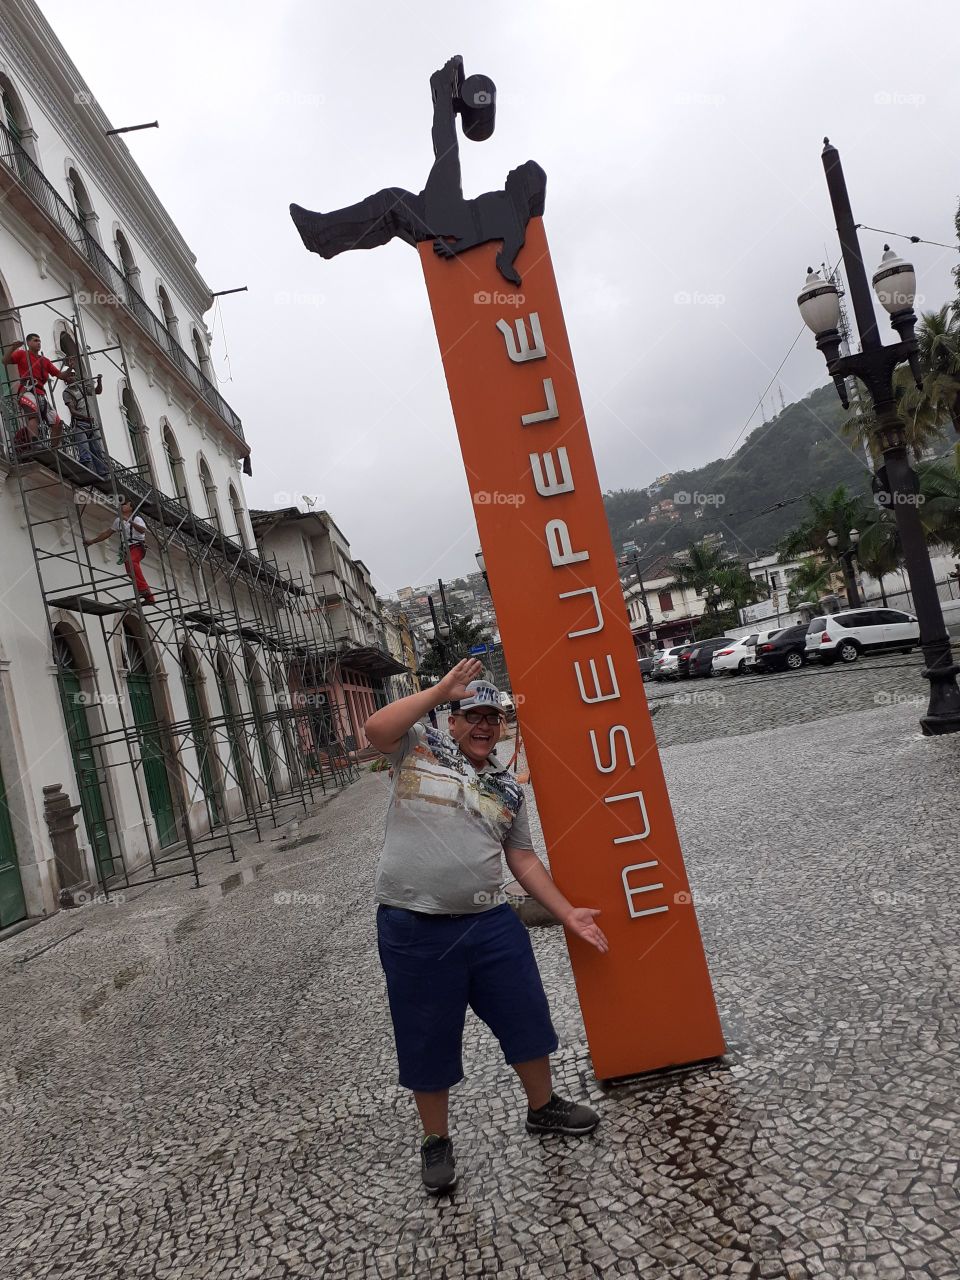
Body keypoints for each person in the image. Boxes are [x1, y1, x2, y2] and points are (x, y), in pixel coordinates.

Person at [364, 658, 608, 1195]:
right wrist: (438, 690)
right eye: (471, 714)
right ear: (452, 721)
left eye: (492, 717)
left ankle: (541, 1107)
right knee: (425, 1035)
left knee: (525, 1014)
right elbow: (375, 729)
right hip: (413, 925)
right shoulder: (419, 747)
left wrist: (566, 912)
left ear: (501, 727)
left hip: (490, 922)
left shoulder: (507, 786)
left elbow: (521, 858)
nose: (482, 724)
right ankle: (435, 1140)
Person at [83, 500, 155, 605]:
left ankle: (143, 589)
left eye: (125, 504)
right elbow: (107, 533)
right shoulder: (118, 521)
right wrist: (92, 541)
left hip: (137, 546)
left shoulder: (137, 518)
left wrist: (129, 521)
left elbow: (142, 530)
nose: (122, 506)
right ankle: (150, 598)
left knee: (132, 562)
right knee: (130, 572)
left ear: (131, 508)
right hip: (127, 549)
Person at [3, 334, 67, 449]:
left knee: (57, 423)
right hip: (27, 391)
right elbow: (5, 361)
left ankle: (53, 448)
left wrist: (71, 368)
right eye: (35, 340)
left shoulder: (45, 361)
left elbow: (61, 376)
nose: (39, 343)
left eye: (39, 341)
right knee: (33, 416)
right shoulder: (22, 354)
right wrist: (13, 347)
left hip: (41, 394)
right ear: (28, 343)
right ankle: (35, 443)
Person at [61, 367, 107, 478]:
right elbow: (73, 411)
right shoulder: (67, 393)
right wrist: (86, 418)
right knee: (85, 452)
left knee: (98, 451)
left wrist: (99, 381)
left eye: (73, 374)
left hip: (91, 425)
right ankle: (88, 474)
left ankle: (103, 474)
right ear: (65, 379)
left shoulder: (82, 388)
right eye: (70, 375)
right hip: (80, 424)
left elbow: (97, 391)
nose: (72, 377)